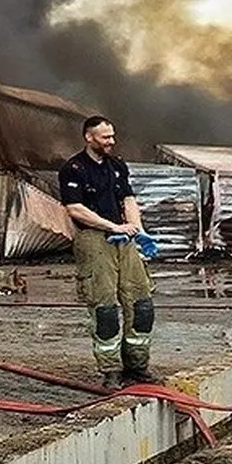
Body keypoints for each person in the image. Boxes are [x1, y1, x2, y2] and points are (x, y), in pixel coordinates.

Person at [59, 115, 156, 389]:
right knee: (105, 309)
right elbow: (75, 209)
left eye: (112, 136)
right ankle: (111, 370)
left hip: (124, 240)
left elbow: (128, 199)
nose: (111, 141)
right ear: (89, 137)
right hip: (94, 240)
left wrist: (138, 229)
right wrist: (113, 226)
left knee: (141, 303)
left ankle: (137, 366)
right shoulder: (73, 169)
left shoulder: (117, 166)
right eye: (105, 137)